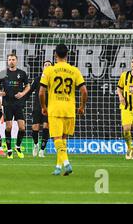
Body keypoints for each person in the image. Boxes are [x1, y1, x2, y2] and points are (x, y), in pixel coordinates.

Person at [39, 44, 88, 176]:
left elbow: (41, 92)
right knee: (64, 138)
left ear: (55, 55)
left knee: (56, 138)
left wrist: (44, 107)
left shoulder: (49, 70)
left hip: (55, 109)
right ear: (67, 55)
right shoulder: (74, 70)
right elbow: (84, 91)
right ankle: (58, 167)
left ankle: (66, 163)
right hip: (69, 109)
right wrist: (82, 106)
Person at [0, 53, 30, 159]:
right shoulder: (3, 73)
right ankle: (9, 150)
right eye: (9, 59)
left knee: (22, 128)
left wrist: (22, 94)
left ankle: (17, 147)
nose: (11, 61)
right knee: (8, 127)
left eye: (13, 59)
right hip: (7, 103)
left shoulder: (22, 73)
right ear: (7, 61)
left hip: (18, 104)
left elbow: (28, 86)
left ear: (16, 61)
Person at [27, 60, 53, 157]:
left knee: (46, 127)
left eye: (49, 65)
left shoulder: (54, 80)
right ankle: (35, 145)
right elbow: (30, 91)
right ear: (43, 67)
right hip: (37, 107)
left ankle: (42, 149)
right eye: (45, 65)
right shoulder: (38, 79)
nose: (47, 66)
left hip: (49, 108)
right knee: (35, 128)